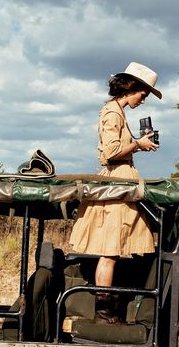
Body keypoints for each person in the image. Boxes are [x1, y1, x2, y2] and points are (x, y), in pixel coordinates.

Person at [69, 62, 161, 321]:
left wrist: (137, 145)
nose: (143, 101)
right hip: (117, 181)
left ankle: (106, 310)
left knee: (112, 251)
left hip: (121, 179)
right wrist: (137, 144)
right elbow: (110, 153)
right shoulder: (112, 112)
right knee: (110, 252)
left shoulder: (116, 112)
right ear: (133, 88)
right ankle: (104, 311)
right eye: (143, 95)